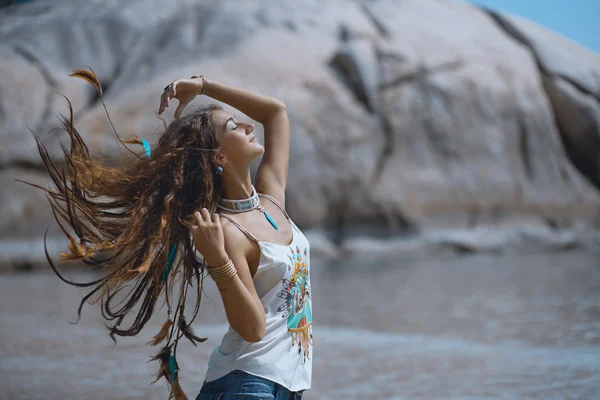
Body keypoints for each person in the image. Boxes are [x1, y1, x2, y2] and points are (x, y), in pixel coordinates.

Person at [28, 71, 312, 400]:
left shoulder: (272, 199)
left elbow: (275, 112)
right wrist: (217, 258)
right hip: (248, 386)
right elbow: (253, 328)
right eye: (234, 127)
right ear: (219, 156)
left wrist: (204, 86)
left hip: (285, 387)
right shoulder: (225, 231)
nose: (249, 126)